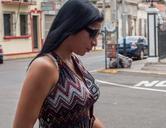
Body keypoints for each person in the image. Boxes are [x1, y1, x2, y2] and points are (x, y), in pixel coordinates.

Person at [13, 0, 104, 128]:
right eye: (92, 33)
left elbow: (85, 115)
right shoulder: (45, 67)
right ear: (73, 26)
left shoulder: (74, 60)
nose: (95, 42)